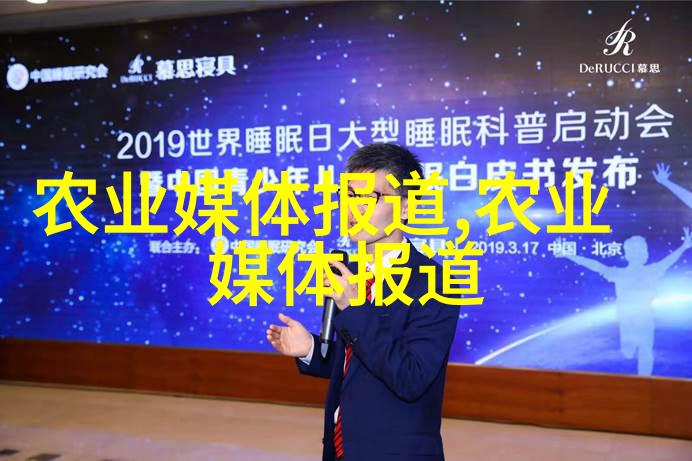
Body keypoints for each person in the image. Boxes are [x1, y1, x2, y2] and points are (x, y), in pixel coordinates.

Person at [266, 143, 459, 461]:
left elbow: (410, 377)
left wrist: (355, 308)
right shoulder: (349, 273)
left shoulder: (434, 282)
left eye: (369, 197)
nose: (354, 209)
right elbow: (358, 364)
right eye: (349, 195)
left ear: (406, 208)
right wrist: (310, 349)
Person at [561, 227, 691, 375]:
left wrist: (684, 247)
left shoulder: (651, 271)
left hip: (645, 317)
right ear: (628, 254)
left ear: (645, 253)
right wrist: (571, 256)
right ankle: (631, 351)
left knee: (645, 349)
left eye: (641, 250)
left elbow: (668, 260)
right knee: (628, 352)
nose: (638, 253)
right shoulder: (620, 273)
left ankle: (645, 381)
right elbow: (596, 266)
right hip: (626, 318)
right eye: (634, 250)